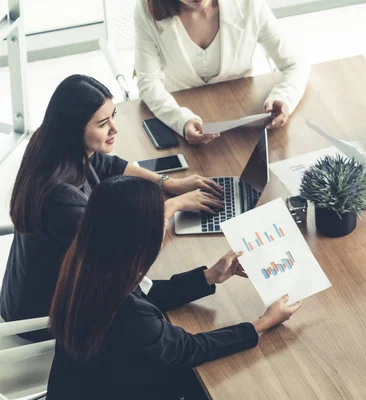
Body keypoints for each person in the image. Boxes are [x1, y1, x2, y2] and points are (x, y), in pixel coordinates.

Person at [0, 75, 224, 341]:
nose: (115, 128)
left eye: (113, 116)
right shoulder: (60, 197)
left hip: (25, 294)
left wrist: (168, 183)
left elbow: (108, 166)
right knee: (163, 326)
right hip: (43, 319)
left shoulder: (54, 146)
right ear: (74, 128)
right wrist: (172, 206)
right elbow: (125, 254)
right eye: (103, 123)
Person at [46, 176, 301, 399]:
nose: (164, 226)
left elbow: (148, 294)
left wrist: (209, 276)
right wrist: (263, 323)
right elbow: (191, 349)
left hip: (80, 386)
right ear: (140, 237)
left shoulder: (87, 268)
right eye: (160, 220)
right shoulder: (131, 315)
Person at [134, 0, 310, 145]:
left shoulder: (248, 4)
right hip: (179, 120)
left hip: (242, 123)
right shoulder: (146, 9)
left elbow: (295, 63)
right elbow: (148, 83)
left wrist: (284, 97)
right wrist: (181, 121)